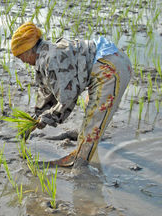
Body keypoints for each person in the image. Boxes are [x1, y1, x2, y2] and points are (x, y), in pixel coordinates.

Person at [11, 22, 132, 167]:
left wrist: (47, 118)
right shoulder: (44, 55)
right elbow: (47, 92)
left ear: (28, 50)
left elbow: (66, 98)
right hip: (107, 60)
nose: (23, 61)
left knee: (94, 122)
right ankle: (81, 135)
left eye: (21, 57)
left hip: (111, 69)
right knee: (90, 108)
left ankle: (80, 164)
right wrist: (35, 120)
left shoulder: (51, 59)